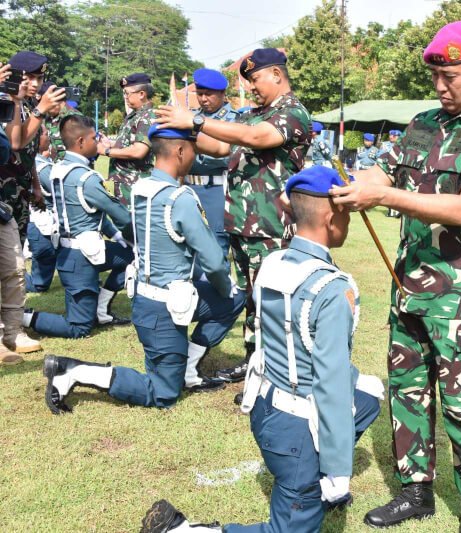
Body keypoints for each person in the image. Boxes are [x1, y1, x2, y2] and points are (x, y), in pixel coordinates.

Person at [329, 20, 461, 531]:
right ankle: (415, 491)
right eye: (435, 77)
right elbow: (381, 172)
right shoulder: (422, 124)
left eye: (450, 77)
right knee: (408, 391)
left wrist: (384, 196)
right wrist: (345, 183)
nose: (440, 86)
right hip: (409, 286)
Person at [138, 166, 381, 533]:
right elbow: (329, 382)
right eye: (348, 214)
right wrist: (336, 468)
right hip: (295, 428)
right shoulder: (332, 289)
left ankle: (307, 480)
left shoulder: (272, 261)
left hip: (264, 403)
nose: (350, 222)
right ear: (332, 219)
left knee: (369, 395)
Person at [42, 126, 247, 413]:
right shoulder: (180, 198)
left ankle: (187, 369)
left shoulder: (141, 187)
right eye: (193, 150)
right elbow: (213, 261)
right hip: (166, 308)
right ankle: (74, 371)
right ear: (180, 151)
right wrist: (224, 288)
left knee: (233, 300)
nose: (195, 156)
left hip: (143, 298)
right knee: (164, 392)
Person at [155, 48, 312, 386]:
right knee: (252, 300)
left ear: (276, 75)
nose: (251, 87)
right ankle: (254, 361)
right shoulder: (252, 114)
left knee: (274, 300)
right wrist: (184, 131)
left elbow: (257, 138)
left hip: (271, 227)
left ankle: (276, 372)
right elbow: (222, 147)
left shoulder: (292, 112)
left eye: (255, 79)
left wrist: (195, 120)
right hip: (241, 224)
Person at [23, 114, 133, 340]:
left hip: (71, 251)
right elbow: (120, 215)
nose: (98, 142)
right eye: (94, 138)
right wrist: (137, 235)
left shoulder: (57, 169)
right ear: (81, 141)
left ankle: (101, 310)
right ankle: (22, 317)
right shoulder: (86, 178)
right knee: (79, 328)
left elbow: (91, 212)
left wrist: (116, 235)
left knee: (130, 255)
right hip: (81, 257)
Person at [0, 72, 42, 362]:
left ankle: (13, 332)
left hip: (2, 203)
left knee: (14, 267)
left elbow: (10, 149)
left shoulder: (11, 103)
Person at [2, 51, 63, 242]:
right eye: (28, 77)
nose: (35, 84)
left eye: (39, 78)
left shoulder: (27, 103)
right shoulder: (5, 100)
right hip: (4, 192)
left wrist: (36, 185)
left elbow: (29, 151)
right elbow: (15, 143)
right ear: (13, 76)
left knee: (17, 246)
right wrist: (40, 110)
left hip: (21, 190)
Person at [185, 68, 239, 255]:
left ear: (222, 93)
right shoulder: (190, 117)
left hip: (217, 189)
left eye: (208, 94)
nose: (203, 99)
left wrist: (191, 141)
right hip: (188, 187)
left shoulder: (234, 120)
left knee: (215, 247)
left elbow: (225, 154)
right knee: (187, 244)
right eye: (199, 94)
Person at [99, 72, 156, 207]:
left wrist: (106, 151)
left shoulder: (147, 117)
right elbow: (129, 142)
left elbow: (138, 151)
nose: (125, 97)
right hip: (124, 182)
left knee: (133, 219)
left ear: (141, 94)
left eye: (127, 93)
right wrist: (111, 144)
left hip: (135, 183)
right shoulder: (135, 115)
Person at [24, 130, 58, 293]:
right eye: (45, 133)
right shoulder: (43, 168)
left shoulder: (35, 162)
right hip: (41, 225)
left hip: (38, 222)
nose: (48, 136)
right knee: (40, 284)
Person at [40, 81, 82, 162]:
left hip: (71, 166)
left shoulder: (74, 118)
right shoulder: (48, 118)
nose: (46, 108)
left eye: (47, 104)